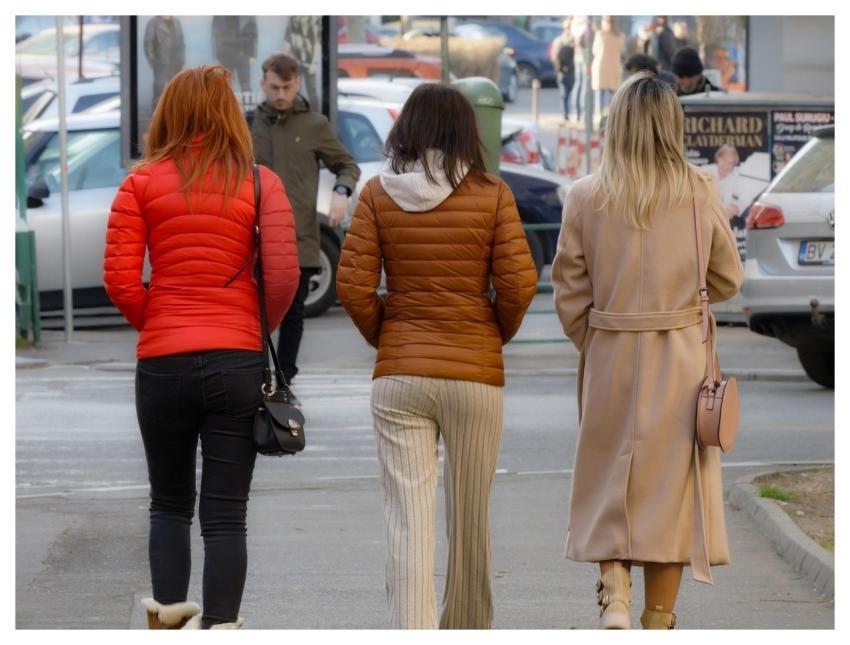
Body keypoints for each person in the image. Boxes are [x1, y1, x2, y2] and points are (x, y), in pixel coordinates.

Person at [103, 65, 300, 630]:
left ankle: (166, 626)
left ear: (168, 113)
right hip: (237, 361)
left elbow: (119, 279)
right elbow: (283, 275)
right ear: (231, 117)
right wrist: (254, 322)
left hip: (162, 364)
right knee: (226, 516)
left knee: (167, 503)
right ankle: (220, 630)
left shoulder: (139, 184)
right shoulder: (261, 183)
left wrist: (159, 320)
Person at [336, 83, 538, 629]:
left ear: (406, 129)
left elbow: (353, 288)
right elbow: (518, 286)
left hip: (401, 376)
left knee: (408, 519)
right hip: (475, 375)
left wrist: (392, 336)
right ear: (466, 132)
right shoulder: (493, 194)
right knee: (470, 519)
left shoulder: (377, 194)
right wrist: (488, 334)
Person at [550, 72, 743, 629]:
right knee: (670, 493)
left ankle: (614, 594)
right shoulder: (698, 191)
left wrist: (596, 336)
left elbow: (568, 289)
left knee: (611, 476)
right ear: (671, 126)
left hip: (610, 350)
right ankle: (658, 620)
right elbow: (727, 279)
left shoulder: (585, 195)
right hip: (679, 356)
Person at [251, 53, 361, 408]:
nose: (280, 94)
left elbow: (346, 164)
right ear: (262, 84)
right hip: (251, 238)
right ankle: (256, 380)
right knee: (253, 316)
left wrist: (342, 191)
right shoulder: (247, 125)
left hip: (298, 238)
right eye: (274, 87)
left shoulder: (314, 124)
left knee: (293, 313)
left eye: (286, 87)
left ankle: (283, 380)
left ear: (297, 83)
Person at [143, 16, 185, 112]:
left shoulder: (176, 21)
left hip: (176, 63)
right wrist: (154, 63)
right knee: (159, 92)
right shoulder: (153, 23)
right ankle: (156, 118)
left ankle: (175, 116)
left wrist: (182, 59)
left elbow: (181, 42)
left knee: (177, 91)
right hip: (161, 64)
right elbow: (148, 44)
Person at [590, 16, 625, 117]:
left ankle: (599, 116)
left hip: (601, 66)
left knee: (600, 93)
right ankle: (612, 116)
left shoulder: (600, 35)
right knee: (613, 94)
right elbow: (622, 51)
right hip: (614, 66)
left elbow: (594, 50)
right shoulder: (620, 36)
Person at [550, 17, 576, 122]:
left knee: (563, 94)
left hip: (562, 71)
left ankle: (565, 114)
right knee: (571, 93)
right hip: (572, 70)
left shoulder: (558, 40)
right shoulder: (575, 40)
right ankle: (572, 113)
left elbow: (553, 56)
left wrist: (558, 69)